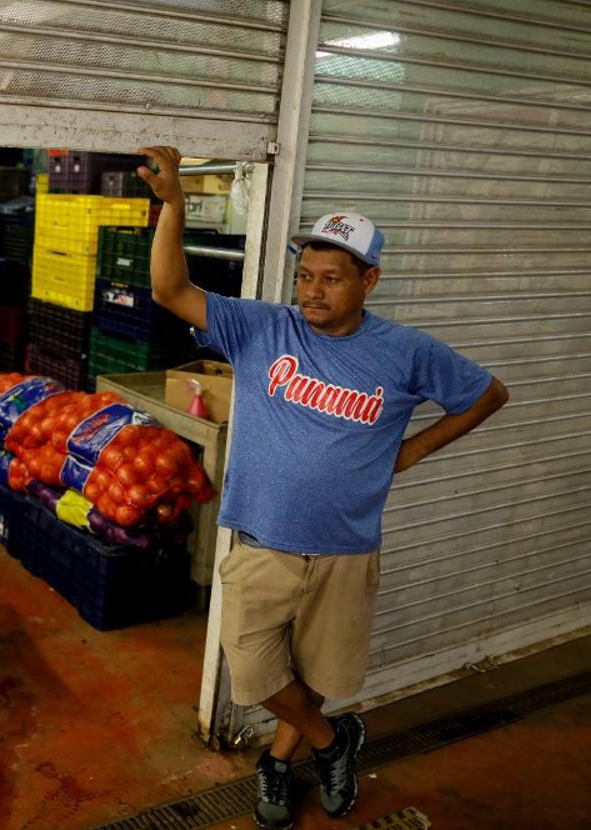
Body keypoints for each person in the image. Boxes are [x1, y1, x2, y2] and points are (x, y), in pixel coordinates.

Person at [137, 146, 509, 830]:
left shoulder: (406, 352)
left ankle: (279, 764)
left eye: (331, 278)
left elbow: (487, 393)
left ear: (370, 281)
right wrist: (173, 206)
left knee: (321, 674)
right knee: (253, 674)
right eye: (305, 275)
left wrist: (416, 449)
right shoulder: (262, 328)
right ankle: (332, 742)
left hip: (345, 547)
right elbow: (168, 290)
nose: (311, 291)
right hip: (261, 540)